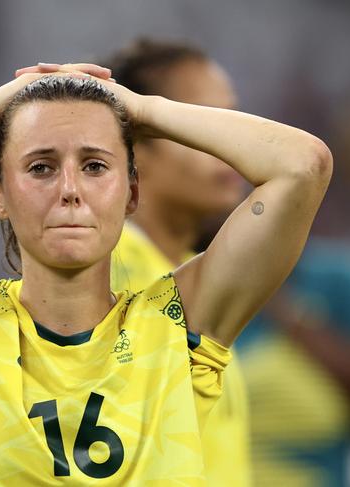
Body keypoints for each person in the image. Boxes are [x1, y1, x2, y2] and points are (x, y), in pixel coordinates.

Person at [0, 62, 332, 485]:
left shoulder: (180, 327)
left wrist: (137, 109)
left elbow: (302, 165)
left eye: (95, 166)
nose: (69, 190)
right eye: (40, 167)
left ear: (132, 193)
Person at [105, 39, 251, 486]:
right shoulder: (105, 277)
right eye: (201, 123)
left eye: (232, 118)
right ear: (136, 146)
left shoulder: (198, 269)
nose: (232, 142)